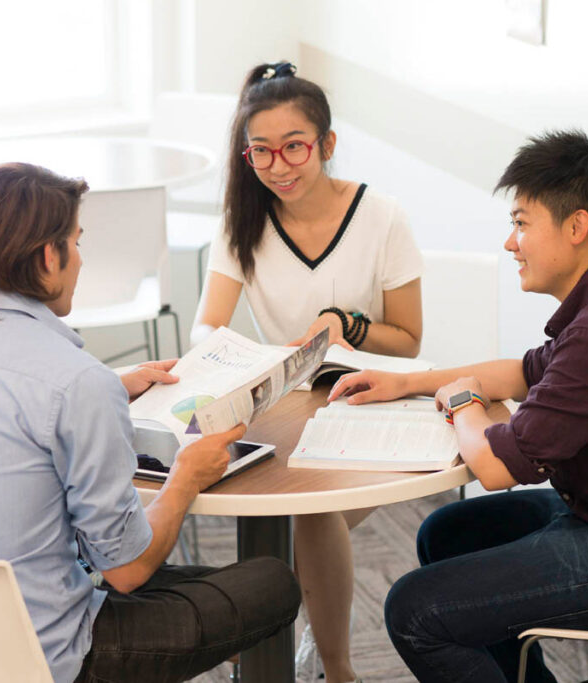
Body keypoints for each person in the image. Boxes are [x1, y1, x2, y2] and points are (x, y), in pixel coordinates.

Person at [329, 130, 588, 683]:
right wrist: (404, 382)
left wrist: (461, 403)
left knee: (415, 611)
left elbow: (494, 468)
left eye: (522, 223)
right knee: (446, 536)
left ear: (576, 227)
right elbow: (524, 372)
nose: (511, 243)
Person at [0, 162, 301, 683]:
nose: (81, 260)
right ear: (47, 256)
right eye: (76, 243)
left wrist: (105, 387)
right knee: (272, 582)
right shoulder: (75, 383)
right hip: (47, 660)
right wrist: (186, 477)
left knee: (194, 581)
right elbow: (127, 571)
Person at [192, 61, 425, 683]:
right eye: (260, 152)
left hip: (374, 402)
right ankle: (279, 648)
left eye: (294, 146)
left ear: (326, 144)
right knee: (295, 513)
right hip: (288, 412)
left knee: (308, 512)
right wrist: (245, 360)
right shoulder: (241, 223)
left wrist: (343, 325)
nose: (279, 166)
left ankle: (328, 666)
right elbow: (204, 329)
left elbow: (407, 341)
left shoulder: (382, 217)